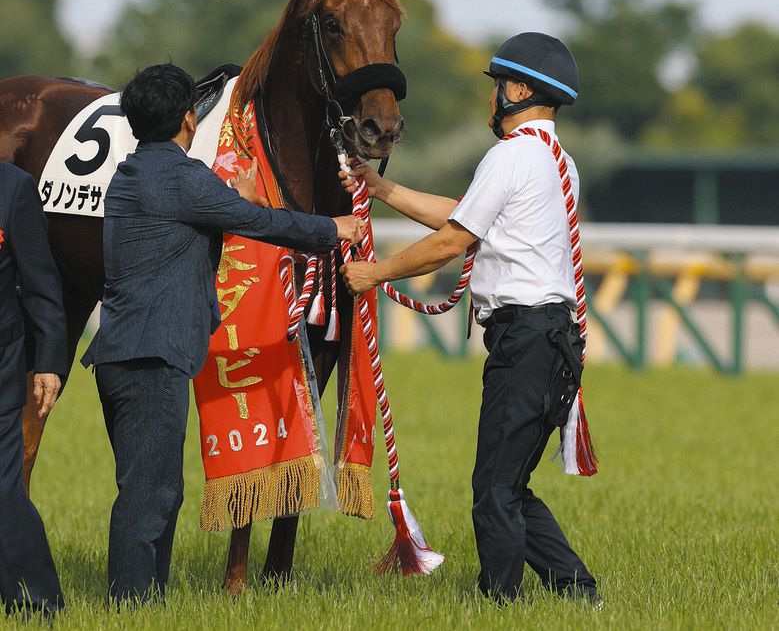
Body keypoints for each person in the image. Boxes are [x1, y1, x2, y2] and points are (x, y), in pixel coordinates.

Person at [81, 63, 363, 605]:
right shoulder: (184, 177)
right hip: (152, 357)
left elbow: (222, 211)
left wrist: (240, 199)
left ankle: (144, 601)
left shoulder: (132, 173)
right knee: (150, 494)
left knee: (155, 489)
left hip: (124, 355)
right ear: (188, 118)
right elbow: (261, 224)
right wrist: (335, 227)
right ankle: (130, 605)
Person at [341, 33, 599, 605]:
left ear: (518, 91)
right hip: (550, 338)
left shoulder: (509, 156)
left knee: (494, 490)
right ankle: (578, 592)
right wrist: (379, 188)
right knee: (508, 484)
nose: (490, 98)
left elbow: (451, 241)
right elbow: (464, 215)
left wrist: (375, 274)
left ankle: (499, 601)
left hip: (525, 337)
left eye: (496, 86)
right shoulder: (555, 160)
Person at [0, 161, 67, 618]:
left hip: (2, 360)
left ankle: (37, 601)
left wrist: (47, 362)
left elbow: (41, 284)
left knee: (2, 486)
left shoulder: (13, 189)